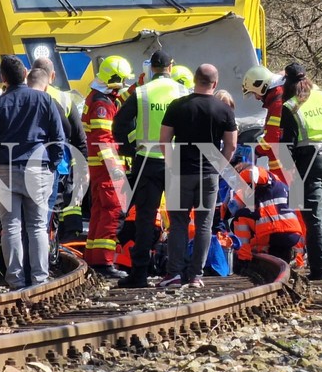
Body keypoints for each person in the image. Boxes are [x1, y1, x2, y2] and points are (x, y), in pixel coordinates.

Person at [0, 55, 65, 290]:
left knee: (11, 227)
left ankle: (15, 280)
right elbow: (59, 138)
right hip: (38, 169)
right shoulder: (44, 99)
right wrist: (52, 165)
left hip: (5, 169)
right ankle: (39, 279)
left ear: (3, 78)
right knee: (37, 226)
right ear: (26, 73)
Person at [113, 50, 190, 288]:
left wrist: (130, 147)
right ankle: (178, 271)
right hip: (176, 161)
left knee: (145, 219)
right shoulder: (183, 92)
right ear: (171, 66)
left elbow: (119, 125)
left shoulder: (141, 92)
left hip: (146, 161)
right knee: (179, 218)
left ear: (151, 68)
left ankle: (139, 274)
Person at [158, 64, 238, 288]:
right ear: (215, 83)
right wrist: (218, 167)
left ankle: (174, 274)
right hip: (209, 175)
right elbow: (231, 145)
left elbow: (164, 140)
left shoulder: (178, 106)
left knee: (178, 224)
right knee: (204, 225)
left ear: (194, 80)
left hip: (180, 173)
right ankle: (195, 276)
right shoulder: (224, 110)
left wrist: (173, 164)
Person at [278, 62, 322, 280]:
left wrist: (291, 174)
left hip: (312, 161)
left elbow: (286, 145)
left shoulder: (290, 106)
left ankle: (320, 270)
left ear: (287, 83)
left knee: (314, 217)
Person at [79, 55, 135, 278]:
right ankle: (104, 262)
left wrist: (137, 86)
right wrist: (116, 168)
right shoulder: (102, 104)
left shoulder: (98, 96)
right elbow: (103, 138)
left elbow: (120, 102)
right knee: (113, 211)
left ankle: (93, 259)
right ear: (114, 79)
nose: (125, 84)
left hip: (98, 168)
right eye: (123, 80)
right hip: (107, 167)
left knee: (100, 212)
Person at [29, 58, 88, 237]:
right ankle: (64, 243)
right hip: (60, 165)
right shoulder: (65, 99)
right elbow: (78, 137)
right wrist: (83, 168)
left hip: (27, 165)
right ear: (52, 76)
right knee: (61, 209)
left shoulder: (22, 96)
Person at [223, 163, 302, 263]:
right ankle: (267, 253)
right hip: (291, 233)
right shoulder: (277, 186)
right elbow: (232, 208)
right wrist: (225, 206)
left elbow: (255, 173)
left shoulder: (268, 178)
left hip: (276, 231)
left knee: (240, 217)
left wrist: (238, 179)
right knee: (242, 218)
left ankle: (243, 258)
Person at [242, 65, 287, 181]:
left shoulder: (277, 103)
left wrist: (257, 151)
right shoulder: (278, 98)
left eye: (254, 93)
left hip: (283, 168)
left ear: (261, 86)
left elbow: (272, 136)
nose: (256, 98)